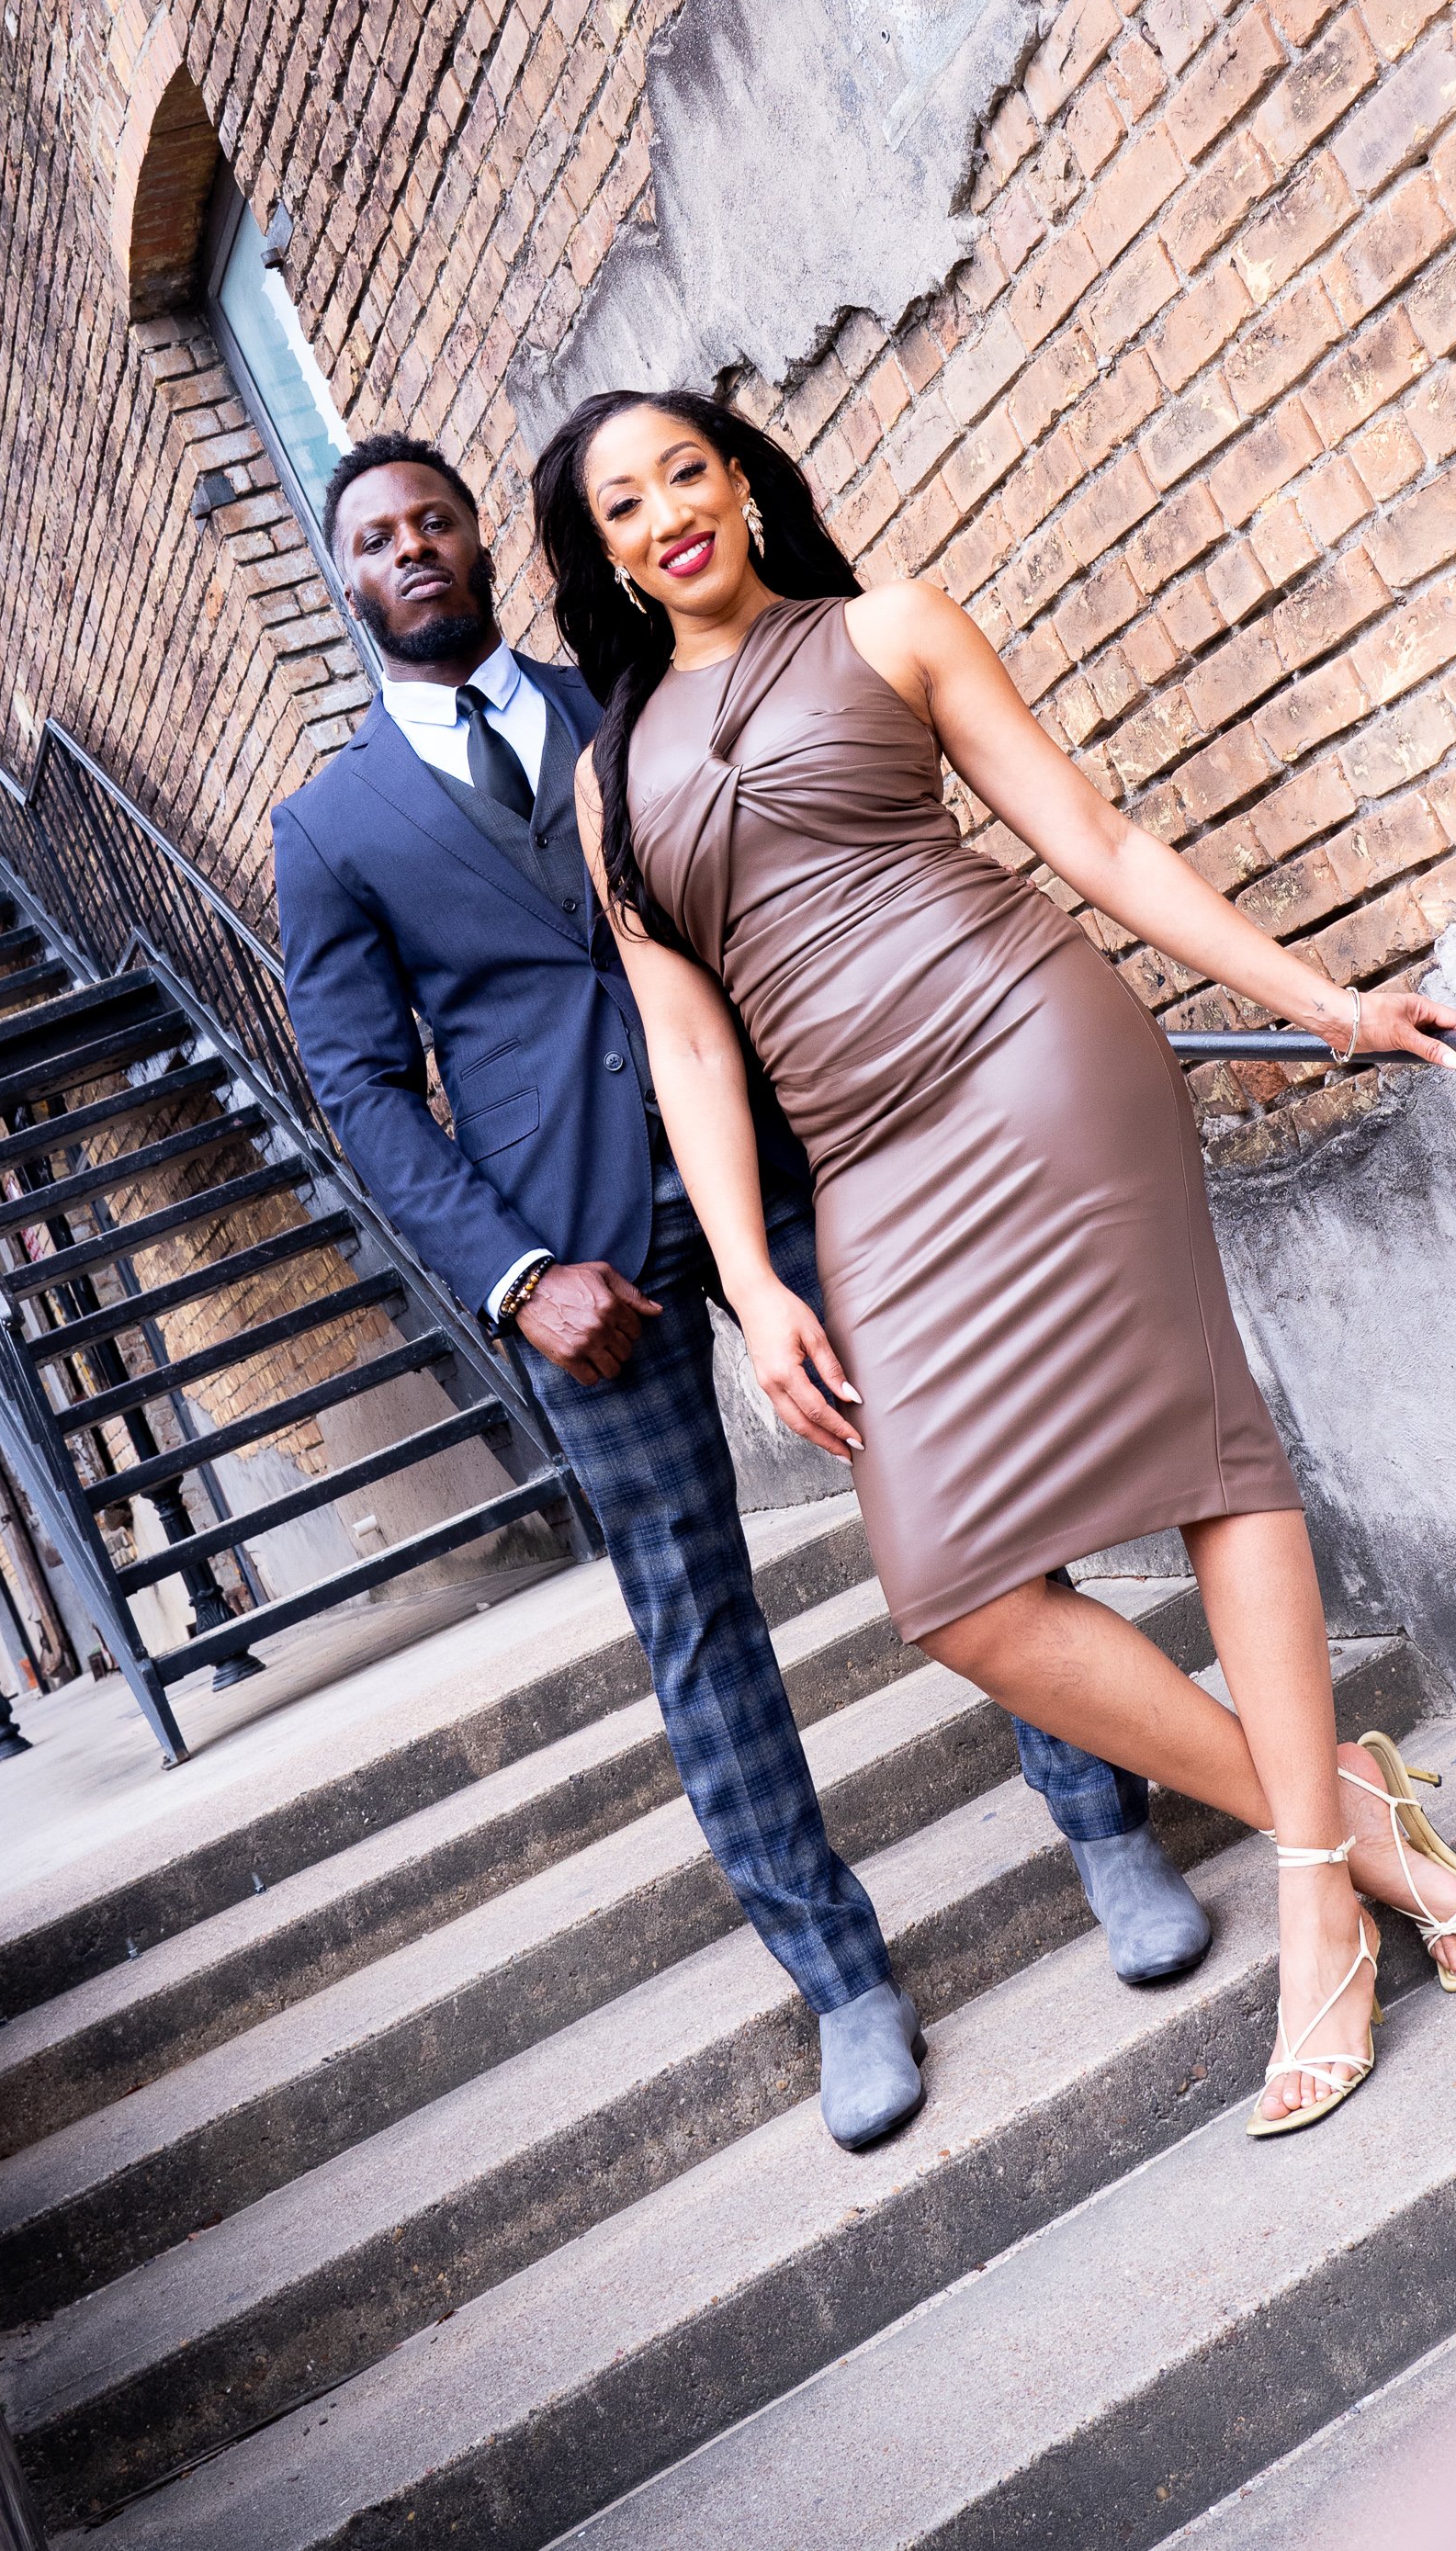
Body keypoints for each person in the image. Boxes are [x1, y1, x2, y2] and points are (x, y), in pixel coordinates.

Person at [536, 389, 1456, 2138]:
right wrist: (756, 1286)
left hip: (1034, 1055)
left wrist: (1323, 1004)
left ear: (743, 484)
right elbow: (690, 1050)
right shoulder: (611, 784)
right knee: (955, 1587)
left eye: (688, 470)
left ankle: (1314, 1913)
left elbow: (1102, 846)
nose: (667, 513)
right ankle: (1347, 1814)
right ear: (598, 550)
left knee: (1212, 1461)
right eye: (624, 501)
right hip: (869, 1163)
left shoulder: (890, 628)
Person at [272, 432, 1215, 2151]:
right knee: (698, 1620)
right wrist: (509, 1276)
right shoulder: (329, 830)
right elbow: (357, 1087)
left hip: (786, 1164)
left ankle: (1109, 1828)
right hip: (576, 1259)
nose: (410, 549)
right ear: (341, 578)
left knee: (968, 1501)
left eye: (432, 519)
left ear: (485, 540)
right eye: (373, 537)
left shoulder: (628, 710)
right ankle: (844, 1984)